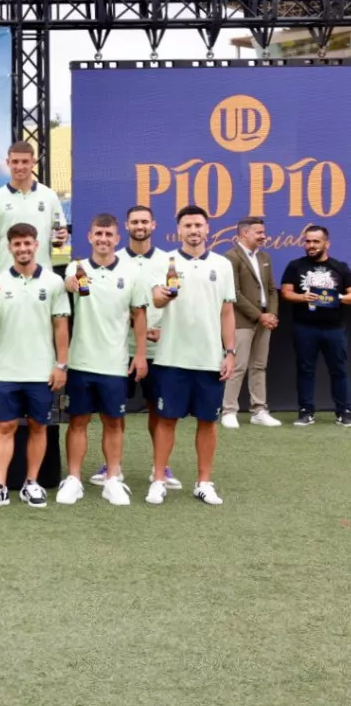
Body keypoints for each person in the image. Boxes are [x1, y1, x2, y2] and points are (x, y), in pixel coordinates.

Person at [57, 214, 149, 507]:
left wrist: (142, 355)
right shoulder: (76, 267)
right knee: (78, 421)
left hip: (115, 362)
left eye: (109, 235)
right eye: (99, 234)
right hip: (81, 361)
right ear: (89, 236)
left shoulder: (133, 272)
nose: (103, 239)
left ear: (117, 238)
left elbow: (139, 315)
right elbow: (68, 288)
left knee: (114, 422)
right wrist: (69, 284)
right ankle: (73, 479)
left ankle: (112, 479)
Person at [147, 205, 236, 506]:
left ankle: (204, 482)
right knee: (166, 420)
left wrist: (230, 352)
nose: (194, 230)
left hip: (209, 358)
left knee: (208, 422)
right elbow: (157, 299)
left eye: (199, 225)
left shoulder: (223, 265)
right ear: (179, 230)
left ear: (207, 229)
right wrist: (164, 294)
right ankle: (158, 479)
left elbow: (227, 311)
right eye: (188, 226)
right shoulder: (166, 262)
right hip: (172, 357)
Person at [0, 222, 69, 510]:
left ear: (36, 245)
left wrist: (61, 365)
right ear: (9, 248)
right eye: (17, 244)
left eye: (27, 243)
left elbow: (60, 326)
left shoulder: (53, 282)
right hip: (8, 370)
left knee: (38, 427)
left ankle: (32, 483)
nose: (23, 249)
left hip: (41, 370)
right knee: (5, 426)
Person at [90, 205, 178, 488]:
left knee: (159, 411)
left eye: (144, 221)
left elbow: (171, 301)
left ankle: (160, 469)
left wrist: (159, 330)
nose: (140, 226)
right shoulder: (113, 261)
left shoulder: (168, 261)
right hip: (118, 349)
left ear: (153, 225)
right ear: (125, 228)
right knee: (114, 412)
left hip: (159, 350)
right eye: (134, 222)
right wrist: (133, 324)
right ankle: (112, 467)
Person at [279, 225, 351, 426]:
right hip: (305, 327)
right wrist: (303, 297)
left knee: (339, 370)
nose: (311, 245)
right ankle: (305, 411)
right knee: (305, 370)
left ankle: (344, 411)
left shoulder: (341, 267)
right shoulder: (295, 266)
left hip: (334, 328)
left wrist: (336, 297)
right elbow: (286, 293)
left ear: (326, 244)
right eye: (308, 241)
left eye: (316, 241)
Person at [221, 217, 281, 428]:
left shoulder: (265, 256)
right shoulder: (230, 257)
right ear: (244, 233)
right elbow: (233, 293)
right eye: (259, 232)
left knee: (259, 366)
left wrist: (272, 313)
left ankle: (259, 410)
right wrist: (259, 315)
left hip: (264, 320)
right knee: (237, 366)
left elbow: (272, 289)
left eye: (263, 232)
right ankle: (229, 410)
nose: (263, 236)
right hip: (241, 321)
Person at [0, 141, 68, 272]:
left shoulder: (49, 196)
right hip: (6, 276)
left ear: (33, 162)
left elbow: (60, 233)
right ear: (7, 162)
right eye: (15, 162)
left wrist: (63, 236)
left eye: (25, 162)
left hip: (42, 275)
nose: (20, 166)